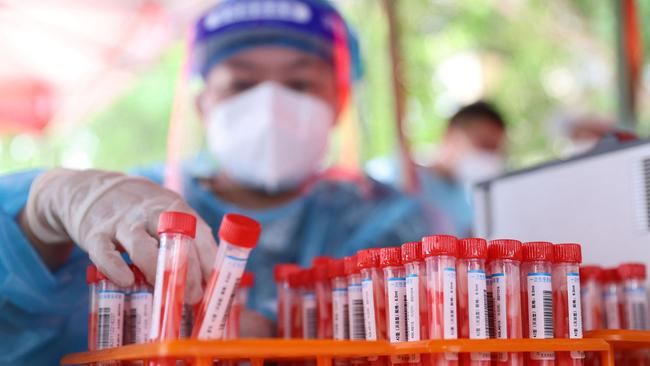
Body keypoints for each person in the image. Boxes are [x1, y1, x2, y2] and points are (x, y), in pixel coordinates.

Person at [0, 0, 439, 364]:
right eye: (242, 83)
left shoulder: (386, 222)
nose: (269, 105)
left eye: (301, 82)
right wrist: (40, 212)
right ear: (203, 104)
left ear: (338, 100)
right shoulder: (133, 216)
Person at [416, 101, 507, 236]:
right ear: (452, 136)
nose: (491, 158)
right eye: (485, 145)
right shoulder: (401, 178)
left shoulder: (469, 202)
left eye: (496, 150)